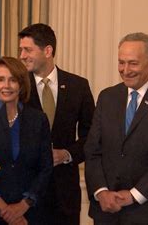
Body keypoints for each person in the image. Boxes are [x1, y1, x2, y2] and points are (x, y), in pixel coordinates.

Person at [84, 32, 148, 224]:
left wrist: (134, 195)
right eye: (121, 62)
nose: (125, 70)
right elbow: (92, 150)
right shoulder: (107, 97)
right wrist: (101, 191)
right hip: (106, 211)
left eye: (133, 63)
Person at [18, 23, 95, 225]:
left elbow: (93, 136)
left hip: (64, 193)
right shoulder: (16, 87)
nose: (22, 56)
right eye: (21, 50)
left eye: (27, 50)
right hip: (25, 192)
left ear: (48, 50)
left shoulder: (79, 86)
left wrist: (67, 154)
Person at [0, 57, 53, 225]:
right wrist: (5, 210)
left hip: (31, 214)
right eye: (0, 80)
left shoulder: (38, 119)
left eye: (12, 80)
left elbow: (46, 168)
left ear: (21, 85)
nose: (6, 86)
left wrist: (23, 205)